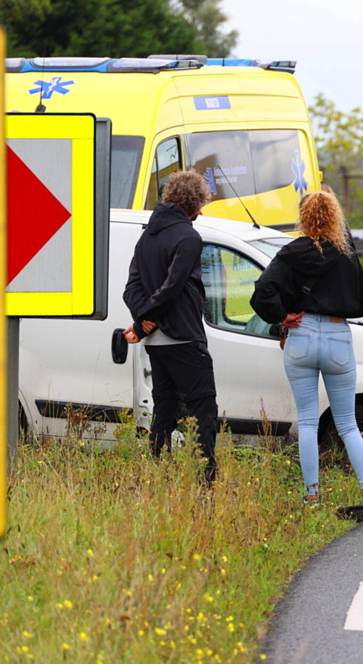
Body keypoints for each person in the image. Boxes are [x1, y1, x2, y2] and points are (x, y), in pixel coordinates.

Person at [250, 191, 363, 510]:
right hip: (337, 337)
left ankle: (312, 496)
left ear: (303, 217)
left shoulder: (290, 252)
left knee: (308, 422)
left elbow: (261, 293)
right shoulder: (346, 253)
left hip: (301, 335)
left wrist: (283, 315)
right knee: (348, 423)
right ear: (336, 216)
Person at [122, 170, 219, 485]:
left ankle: (158, 472)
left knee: (164, 408)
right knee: (203, 409)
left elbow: (131, 288)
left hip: (156, 342)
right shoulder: (189, 237)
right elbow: (173, 287)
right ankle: (206, 481)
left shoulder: (147, 236)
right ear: (196, 203)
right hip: (184, 336)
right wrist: (144, 319)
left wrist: (144, 320)